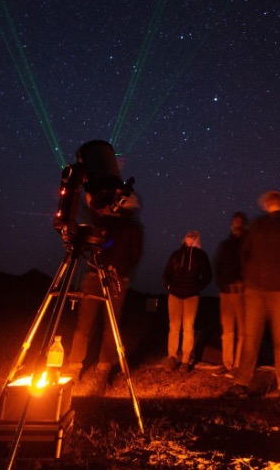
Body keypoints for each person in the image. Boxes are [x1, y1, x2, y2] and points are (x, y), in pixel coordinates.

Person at [66, 165, 144, 396]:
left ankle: (102, 368)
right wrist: (90, 195)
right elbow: (91, 214)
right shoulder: (106, 221)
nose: (116, 204)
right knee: (84, 325)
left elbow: (133, 255)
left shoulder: (132, 228)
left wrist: (121, 274)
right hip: (94, 274)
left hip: (116, 278)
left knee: (110, 325)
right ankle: (73, 368)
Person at [226, 190, 280, 398]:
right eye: (269, 197)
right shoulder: (257, 224)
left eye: (276, 196)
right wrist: (249, 276)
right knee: (250, 338)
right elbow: (245, 251)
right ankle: (241, 382)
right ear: (264, 203)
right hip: (255, 290)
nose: (272, 199)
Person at [162, 230, 212, 372]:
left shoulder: (201, 256)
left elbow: (208, 275)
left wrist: (197, 287)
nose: (191, 235)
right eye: (189, 234)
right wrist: (169, 286)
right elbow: (166, 273)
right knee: (174, 327)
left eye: (194, 235)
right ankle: (172, 358)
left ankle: (185, 361)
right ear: (184, 238)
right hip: (174, 296)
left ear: (197, 239)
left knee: (188, 328)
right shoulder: (176, 254)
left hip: (191, 296)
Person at [214, 212, 247, 374]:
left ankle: (238, 365)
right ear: (231, 225)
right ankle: (227, 363)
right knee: (227, 331)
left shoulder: (248, 245)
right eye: (235, 222)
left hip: (242, 292)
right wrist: (221, 283)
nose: (237, 225)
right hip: (226, 292)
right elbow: (217, 265)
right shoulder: (225, 245)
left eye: (240, 222)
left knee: (242, 332)